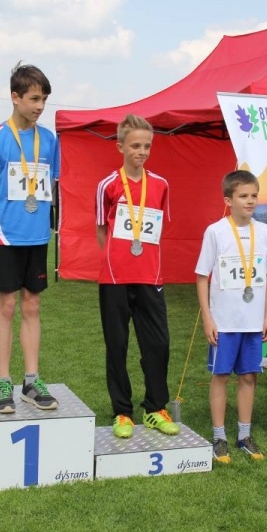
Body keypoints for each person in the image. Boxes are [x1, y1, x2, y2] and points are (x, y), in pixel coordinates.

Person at [0, 62, 59, 413]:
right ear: (15, 97)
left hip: (37, 237)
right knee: (6, 307)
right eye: (34, 99)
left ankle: (31, 380)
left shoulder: (49, 139)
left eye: (44, 100)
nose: (40, 106)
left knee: (32, 305)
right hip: (5, 237)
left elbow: (51, 186)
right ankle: (2, 382)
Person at [96, 114, 178, 439]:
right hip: (114, 279)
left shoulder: (161, 184)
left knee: (158, 343)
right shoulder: (108, 185)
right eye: (135, 146)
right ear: (120, 147)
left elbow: (157, 229)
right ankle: (123, 412)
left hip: (150, 277)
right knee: (117, 346)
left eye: (147, 146)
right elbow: (102, 230)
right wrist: (117, 258)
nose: (141, 152)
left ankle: (155, 408)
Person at [196, 170, 267, 463]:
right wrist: (208, 319)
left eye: (254, 195)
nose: (250, 200)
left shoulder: (265, 232)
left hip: (253, 322)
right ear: (228, 200)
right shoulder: (216, 231)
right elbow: (202, 277)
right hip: (224, 322)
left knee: (248, 377)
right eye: (243, 196)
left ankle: (244, 435)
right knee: (220, 376)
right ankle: (219, 437)